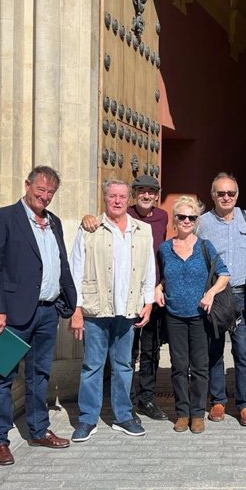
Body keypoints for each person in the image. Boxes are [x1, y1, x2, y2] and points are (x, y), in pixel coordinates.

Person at [0, 165, 77, 466]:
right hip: (10, 315)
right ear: (27, 185)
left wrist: (68, 301)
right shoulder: (3, 218)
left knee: (40, 375)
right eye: (41, 190)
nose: (45, 196)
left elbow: (60, 263)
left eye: (50, 192)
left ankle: (38, 430)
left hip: (47, 312)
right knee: (3, 377)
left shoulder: (54, 222)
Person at [69, 180, 155, 441]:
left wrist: (148, 302)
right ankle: (87, 419)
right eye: (112, 196)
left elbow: (148, 268)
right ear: (104, 198)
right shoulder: (90, 228)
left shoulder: (143, 230)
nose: (117, 201)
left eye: (121, 196)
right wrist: (76, 309)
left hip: (127, 309)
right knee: (92, 366)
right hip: (97, 309)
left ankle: (123, 416)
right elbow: (75, 270)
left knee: (124, 365)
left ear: (128, 199)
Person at [81, 175, 169, 422]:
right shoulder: (123, 212)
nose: (146, 195)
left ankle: (146, 399)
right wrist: (85, 217)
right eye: (141, 191)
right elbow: (97, 224)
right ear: (134, 194)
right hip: (120, 296)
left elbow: (158, 257)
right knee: (127, 353)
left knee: (151, 349)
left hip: (151, 294)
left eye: (151, 192)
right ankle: (126, 403)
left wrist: (157, 287)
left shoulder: (162, 217)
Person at [157, 196, 230, 434]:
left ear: (197, 220)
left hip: (200, 315)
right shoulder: (165, 249)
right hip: (174, 315)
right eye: (182, 217)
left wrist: (210, 294)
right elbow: (159, 277)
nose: (186, 221)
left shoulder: (204, 246)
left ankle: (198, 413)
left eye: (192, 217)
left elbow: (224, 274)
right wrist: (158, 288)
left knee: (200, 366)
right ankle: (182, 413)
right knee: (179, 365)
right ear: (175, 220)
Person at [196, 173, 246, 426]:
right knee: (214, 351)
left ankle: (245, 405)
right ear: (213, 195)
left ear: (237, 195)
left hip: (242, 295)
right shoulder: (202, 223)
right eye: (221, 193)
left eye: (230, 193)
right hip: (215, 296)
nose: (226, 197)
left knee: (244, 352)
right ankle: (218, 400)